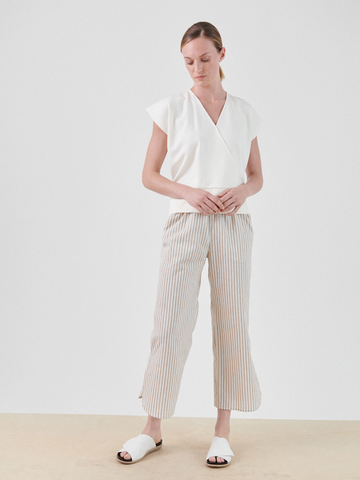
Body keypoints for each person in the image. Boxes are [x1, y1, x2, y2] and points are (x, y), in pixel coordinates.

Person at [117, 21, 263, 468]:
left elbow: (256, 176)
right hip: (185, 221)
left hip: (233, 226)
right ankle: (152, 429)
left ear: (222, 54)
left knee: (232, 322)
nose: (196, 68)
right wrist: (189, 192)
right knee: (171, 321)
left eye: (204, 58)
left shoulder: (244, 111)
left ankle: (222, 432)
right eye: (188, 62)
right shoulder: (171, 109)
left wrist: (242, 191)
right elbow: (149, 174)